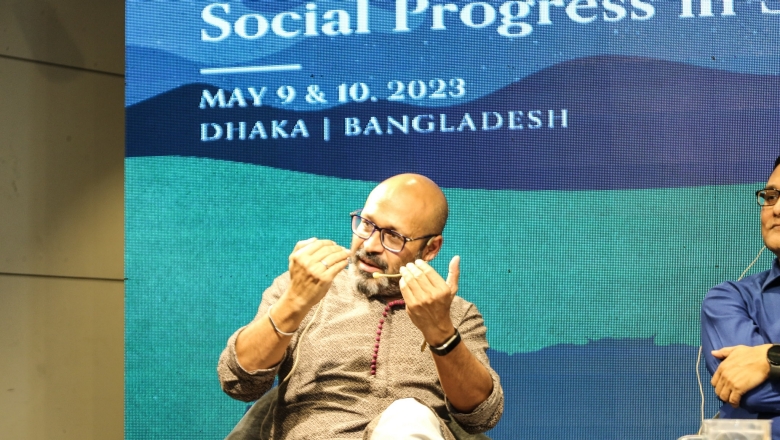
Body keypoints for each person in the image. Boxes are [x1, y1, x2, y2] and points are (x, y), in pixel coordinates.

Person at [217, 173, 503, 439]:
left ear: (430, 249)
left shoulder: (456, 314)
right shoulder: (304, 287)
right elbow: (238, 382)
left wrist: (441, 332)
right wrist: (295, 301)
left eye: (393, 236)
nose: (371, 244)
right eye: (366, 224)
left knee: (409, 415)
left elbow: (482, 417)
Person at [701, 156, 780, 439]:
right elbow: (750, 391)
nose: (777, 209)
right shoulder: (728, 299)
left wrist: (769, 360)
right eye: (771, 196)